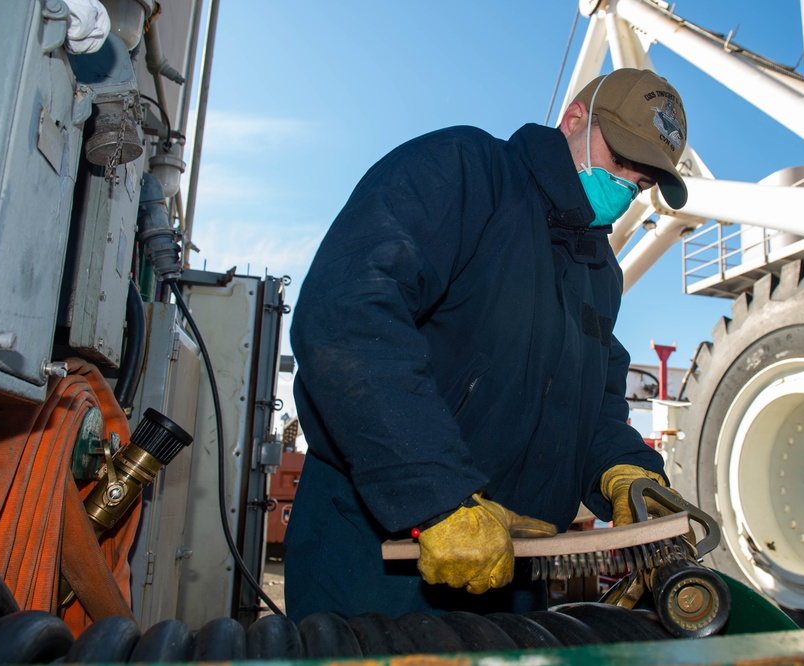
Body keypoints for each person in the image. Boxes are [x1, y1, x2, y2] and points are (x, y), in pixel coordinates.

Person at [285, 67, 689, 622]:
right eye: (621, 162)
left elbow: (590, 406)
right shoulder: (464, 173)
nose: (625, 189)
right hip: (380, 545)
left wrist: (624, 470)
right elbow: (347, 315)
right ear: (574, 119)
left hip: (515, 565)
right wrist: (436, 496)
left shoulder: (600, 272)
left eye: (641, 185)